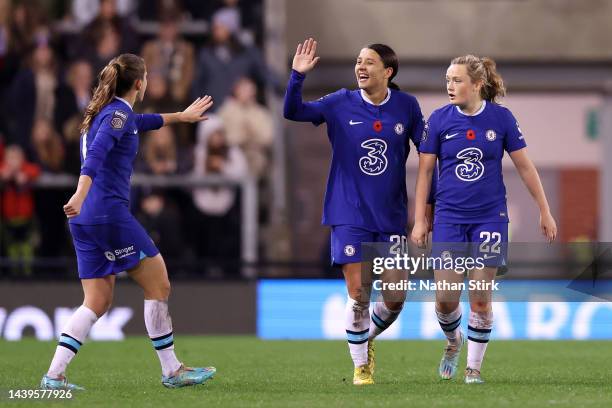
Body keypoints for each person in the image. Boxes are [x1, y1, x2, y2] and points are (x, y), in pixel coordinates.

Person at [39, 53, 216, 390]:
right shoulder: (119, 114)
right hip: (107, 214)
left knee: (97, 301)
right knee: (159, 284)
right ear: (139, 82)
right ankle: (172, 370)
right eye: (146, 77)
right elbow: (97, 156)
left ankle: (54, 375)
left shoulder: (110, 113)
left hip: (84, 221)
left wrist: (181, 116)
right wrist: (78, 193)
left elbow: (145, 121)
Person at [284, 38, 425, 385]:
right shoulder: (339, 102)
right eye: (358, 61)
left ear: (388, 72)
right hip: (348, 212)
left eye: (369, 62)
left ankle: (365, 337)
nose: (360, 67)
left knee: (395, 296)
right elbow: (293, 111)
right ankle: (361, 366)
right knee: (359, 294)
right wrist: (297, 77)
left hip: (390, 216)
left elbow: (428, 150)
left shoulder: (406, 106)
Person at [411, 55, 558, 384]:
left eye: (457, 80)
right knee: (446, 300)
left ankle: (473, 369)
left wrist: (544, 210)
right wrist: (420, 219)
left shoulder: (501, 119)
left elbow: (525, 167)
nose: (450, 86)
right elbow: (424, 173)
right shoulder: (438, 121)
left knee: (479, 296)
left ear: (477, 84)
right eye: (447, 80)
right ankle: (453, 341)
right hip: (449, 218)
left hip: (490, 218)